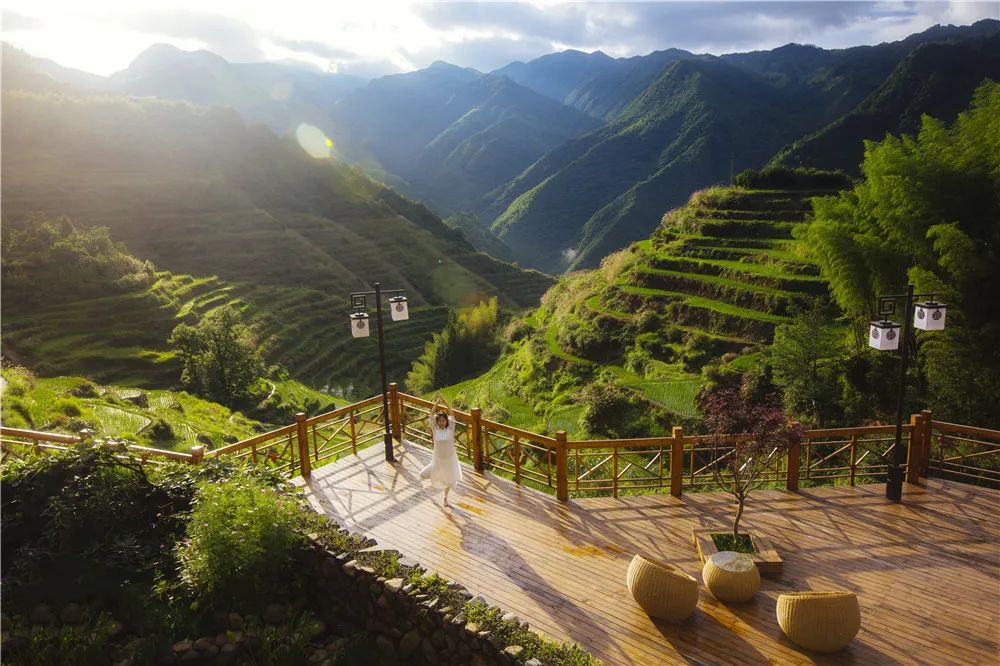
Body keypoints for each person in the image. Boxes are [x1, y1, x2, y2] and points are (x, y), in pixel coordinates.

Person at [420, 396, 462, 506]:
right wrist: (437, 403)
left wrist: (446, 403)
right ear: (437, 422)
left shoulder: (450, 428)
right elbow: (431, 415)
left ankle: (445, 498)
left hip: (449, 460)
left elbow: (451, 414)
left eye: (443, 421)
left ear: (446, 421)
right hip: (438, 460)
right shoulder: (435, 429)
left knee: (449, 480)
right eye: (440, 421)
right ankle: (434, 475)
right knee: (422, 475)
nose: (442, 422)